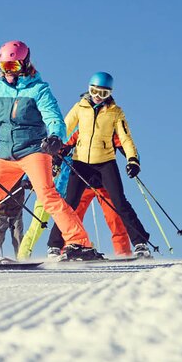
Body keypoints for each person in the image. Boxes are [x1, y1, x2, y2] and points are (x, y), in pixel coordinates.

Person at [0, 40, 99, 261]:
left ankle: (80, 243)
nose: (8, 72)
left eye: (13, 67)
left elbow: (53, 117)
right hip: (5, 155)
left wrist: (55, 137)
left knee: (47, 196)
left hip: (34, 150)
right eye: (3, 67)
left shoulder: (39, 89)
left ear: (24, 64)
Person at [47, 72, 153, 259]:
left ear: (109, 93)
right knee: (70, 204)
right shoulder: (80, 107)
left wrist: (132, 159)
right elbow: (65, 127)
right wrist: (56, 148)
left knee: (120, 203)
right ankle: (55, 245)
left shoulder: (115, 112)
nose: (97, 96)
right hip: (80, 162)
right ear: (89, 89)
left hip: (105, 162)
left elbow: (126, 138)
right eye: (94, 91)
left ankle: (140, 243)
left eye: (102, 93)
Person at [0, 174, 31, 262]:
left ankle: (23, 259)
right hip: (1, 210)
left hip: (16, 210)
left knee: (18, 236)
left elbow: (32, 179)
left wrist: (29, 183)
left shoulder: (21, 171)